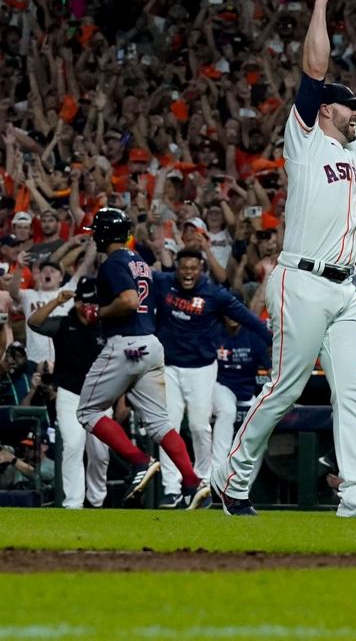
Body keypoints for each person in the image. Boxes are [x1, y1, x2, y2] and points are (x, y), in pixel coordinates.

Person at [212, 0, 356, 519]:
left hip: (343, 290)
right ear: (324, 111)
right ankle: (231, 480)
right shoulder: (305, 138)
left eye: (355, 108)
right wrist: (322, 3)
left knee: (351, 394)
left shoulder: (355, 150)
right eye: (346, 107)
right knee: (283, 389)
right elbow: (314, 69)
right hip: (300, 281)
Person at [75, 208, 209, 509]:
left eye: (96, 230)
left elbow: (128, 301)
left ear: (104, 233)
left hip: (126, 344)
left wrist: (99, 313)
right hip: (151, 344)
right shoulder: (139, 262)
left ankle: (138, 461)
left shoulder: (113, 263)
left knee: (87, 411)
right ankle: (191, 480)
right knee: (160, 422)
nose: (93, 235)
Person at [154, 248, 270, 507]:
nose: (188, 273)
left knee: (199, 426)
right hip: (169, 367)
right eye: (184, 267)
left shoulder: (215, 294)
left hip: (202, 369)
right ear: (177, 267)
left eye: (193, 268)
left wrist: (276, 340)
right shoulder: (163, 284)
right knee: (168, 427)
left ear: (201, 269)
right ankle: (171, 489)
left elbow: (249, 319)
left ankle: (202, 482)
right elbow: (138, 279)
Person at [26, 277, 110, 509]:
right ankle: (73, 503)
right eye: (86, 302)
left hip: (101, 397)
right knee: (73, 445)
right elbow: (34, 323)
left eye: (94, 302)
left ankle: (97, 500)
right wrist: (56, 301)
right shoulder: (64, 323)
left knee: (100, 453)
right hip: (70, 394)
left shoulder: (107, 324)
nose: (90, 307)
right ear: (78, 302)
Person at [211, 314, 273, 488]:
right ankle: (216, 473)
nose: (232, 317)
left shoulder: (252, 337)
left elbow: (270, 369)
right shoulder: (215, 333)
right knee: (227, 411)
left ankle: (241, 487)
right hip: (220, 387)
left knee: (259, 434)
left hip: (246, 393)